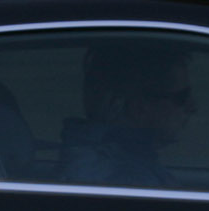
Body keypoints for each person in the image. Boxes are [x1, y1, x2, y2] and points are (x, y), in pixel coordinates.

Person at [57, 40, 195, 187]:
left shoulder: (126, 164)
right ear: (140, 108)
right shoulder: (124, 179)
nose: (192, 107)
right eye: (182, 97)